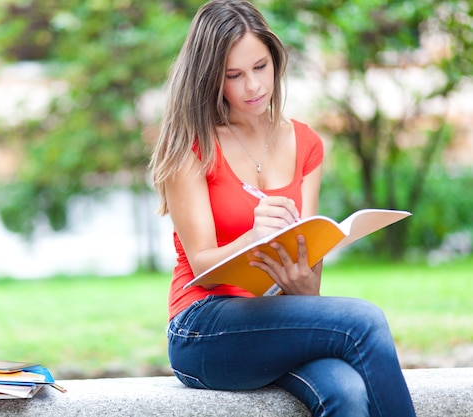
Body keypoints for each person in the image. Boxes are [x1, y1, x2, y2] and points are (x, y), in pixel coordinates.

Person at [149, 1, 417, 416]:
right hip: (203, 327)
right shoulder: (191, 144)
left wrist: (299, 280)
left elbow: (310, 288)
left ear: (275, 60)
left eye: (261, 67)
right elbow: (201, 263)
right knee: (364, 320)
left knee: (346, 390)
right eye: (234, 76)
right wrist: (252, 239)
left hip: (277, 318)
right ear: (210, 79)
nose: (253, 86)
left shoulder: (306, 143)